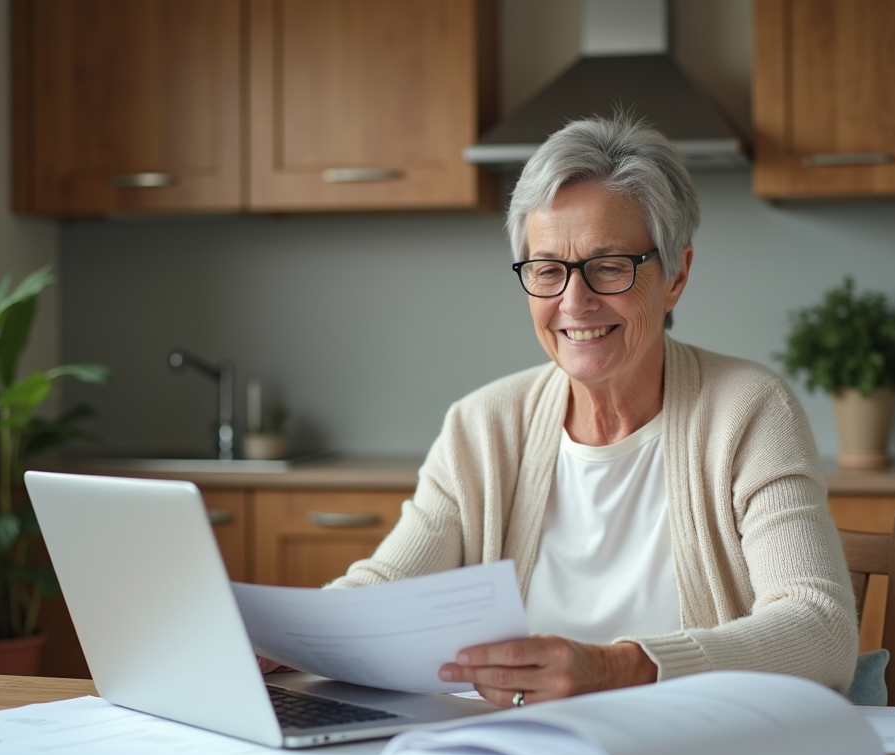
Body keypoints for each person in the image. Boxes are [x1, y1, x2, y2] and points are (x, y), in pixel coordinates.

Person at [327, 114, 858, 709]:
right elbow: (386, 588)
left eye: (608, 267)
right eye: (547, 270)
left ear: (676, 274)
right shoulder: (481, 426)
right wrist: (284, 640)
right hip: (518, 750)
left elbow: (822, 631)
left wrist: (617, 669)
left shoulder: (750, 411)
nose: (574, 302)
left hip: (691, 745)